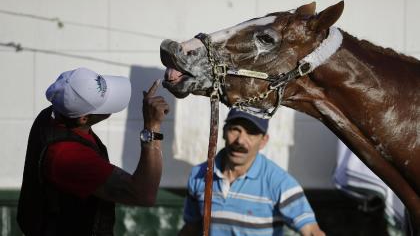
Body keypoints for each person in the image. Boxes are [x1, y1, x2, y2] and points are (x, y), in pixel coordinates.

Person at [17, 67, 169, 236]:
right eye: (103, 103)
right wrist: (152, 126)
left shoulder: (52, 115)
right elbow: (144, 194)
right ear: (83, 118)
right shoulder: (68, 157)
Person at [179, 109, 325, 236]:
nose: (240, 140)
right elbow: (191, 227)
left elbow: (312, 231)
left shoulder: (280, 182)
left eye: (251, 133)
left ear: (263, 141)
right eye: (235, 129)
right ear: (223, 131)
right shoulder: (200, 175)